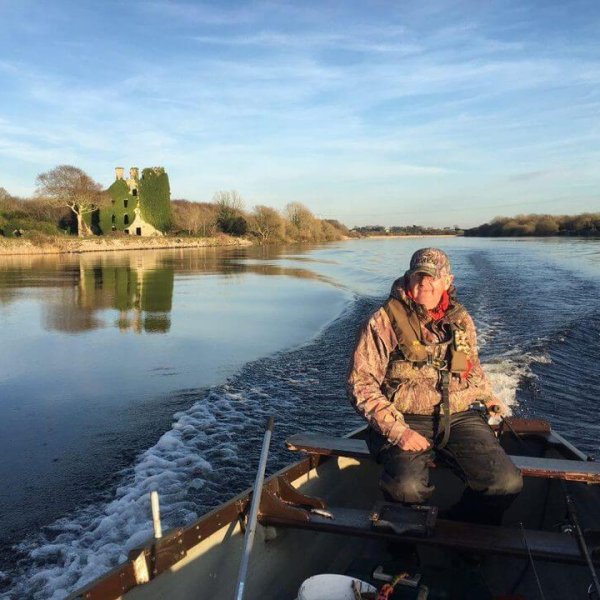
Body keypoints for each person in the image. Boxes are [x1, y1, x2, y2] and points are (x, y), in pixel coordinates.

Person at [347, 248, 522, 524]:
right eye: (419, 276)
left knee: (506, 482)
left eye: (432, 277)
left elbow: (471, 366)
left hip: (460, 415)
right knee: (406, 487)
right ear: (408, 278)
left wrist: (488, 396)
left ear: (447, 281)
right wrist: (398, 431)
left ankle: (461, 527)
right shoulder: (382, 321)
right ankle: (402, 553)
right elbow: (361, 384)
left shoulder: (461, 319)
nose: (424, 283)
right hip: (405, 418)